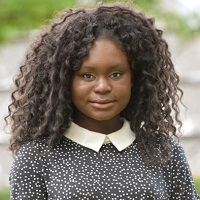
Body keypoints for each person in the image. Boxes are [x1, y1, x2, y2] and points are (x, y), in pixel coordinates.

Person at [6, 2, 200, 200]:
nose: (102, 87)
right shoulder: (36, 157)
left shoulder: (163, 151)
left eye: (116, 74)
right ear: (64, 81)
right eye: (87, 76)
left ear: (136, 78)